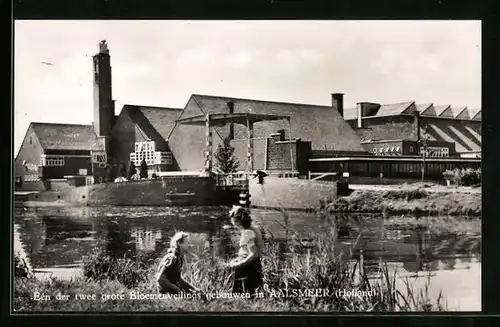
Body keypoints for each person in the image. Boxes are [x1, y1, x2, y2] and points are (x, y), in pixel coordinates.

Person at [226, 205, 265, 297]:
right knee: (253, 294)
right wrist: (237, 259)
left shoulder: (248, 232)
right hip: (255, 265)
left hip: (248, 267)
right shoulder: (254, 228)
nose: (233, 223)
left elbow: (253, 254)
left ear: (239, 221)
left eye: (234, 221)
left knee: (243, 294)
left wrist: (237, 265)